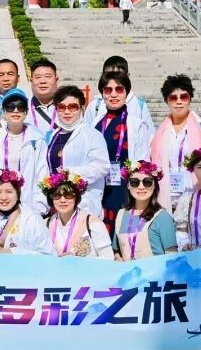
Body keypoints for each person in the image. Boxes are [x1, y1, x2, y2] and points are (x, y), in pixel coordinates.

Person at [93, 71, 153, 234]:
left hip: (125, 190)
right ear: (102, 93)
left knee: (123, 234)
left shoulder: (136, 124)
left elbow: (143, 162)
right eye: (108, 90)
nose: (113, 94)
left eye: (119, 89)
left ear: (126, 92)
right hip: (100, 188)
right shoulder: (95, 124)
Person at [0, 88, 49, 218]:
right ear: (4, 112)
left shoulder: (36, 139)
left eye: (20, 107)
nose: (15, 110)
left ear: (26, 112)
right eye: (10, 107)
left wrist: (39, 209)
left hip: (27, 207)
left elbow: (42, 175)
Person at [150, 74, 201, 210]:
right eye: (173, 98)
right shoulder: (158, 133)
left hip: (195, 198)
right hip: (164, 200)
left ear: (190, 99)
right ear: (167, 100)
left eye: (184, 97)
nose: (179, 101)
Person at [43, 85, 109, 219]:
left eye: (72, 107)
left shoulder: (92, 135)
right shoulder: (52, 135)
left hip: (83, 203)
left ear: (81, 108)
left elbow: (102, 166)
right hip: (56, 203)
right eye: (61, 107)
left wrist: (70, 174)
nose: (67, 112)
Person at [113, 160, 177, 259]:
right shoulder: (121, 214)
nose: (141, 187)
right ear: (128, 185)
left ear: (155, 186)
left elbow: (172, 256)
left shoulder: (163, 217)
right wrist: (118, 258)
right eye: (134, 182)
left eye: (147, 182)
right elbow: (117, 250)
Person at [42, 171, 114, 259]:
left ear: (76, 198)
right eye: (57, 195)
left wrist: (77, 260)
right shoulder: (45, 225)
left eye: (68, 195)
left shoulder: (93, 223)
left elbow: (108, 258)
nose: (62, 200)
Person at [0, 169, 54, 254]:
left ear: (18, 193)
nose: (3, 197)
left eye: (9, 192)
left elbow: (48, 255)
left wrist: (14, 252)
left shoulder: (32, 220)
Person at [82, 55, 154, 135]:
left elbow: (150, 135)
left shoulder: (139, 105)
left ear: (127, 76)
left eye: (119, 75)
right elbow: (85, 134)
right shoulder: (95, 106)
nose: (114, 79)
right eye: (109, 75)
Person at [27, 59, 59, 135]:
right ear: (31, 80)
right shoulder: (21, 106)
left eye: (47, 76)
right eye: (38, 77)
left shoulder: (68, 106)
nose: (43, 81)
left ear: (56, 80)